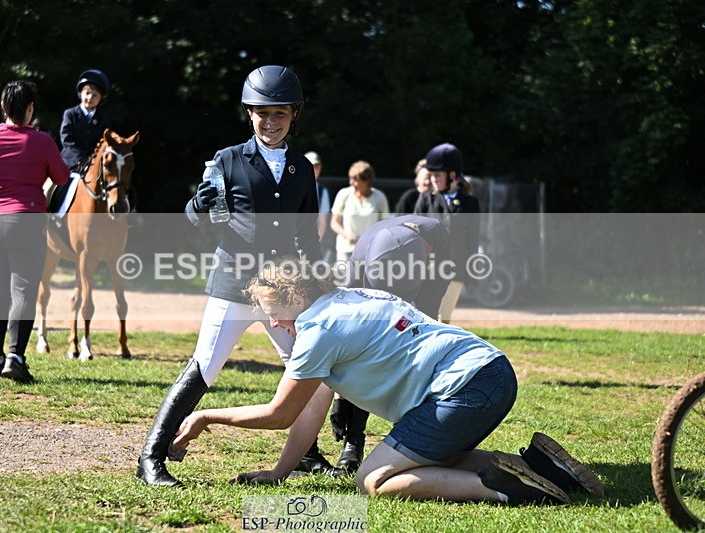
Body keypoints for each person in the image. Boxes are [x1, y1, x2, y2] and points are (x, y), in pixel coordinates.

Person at [173, 262, 605, 504]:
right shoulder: (352, 296)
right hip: (491, 369)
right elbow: (308, 410)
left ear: (295, 298)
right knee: (419, 459)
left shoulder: (316, 331)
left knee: (374, 479)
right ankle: (544, 468)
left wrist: (206, 416)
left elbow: (280, 414)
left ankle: (508, 489)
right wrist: (279, 473)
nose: (271, 321)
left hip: (464, 389)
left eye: (272, 310)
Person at [136, 65, 326, 487]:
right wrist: (198, 204)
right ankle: (151, 457)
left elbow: (307, 235)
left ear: (294, 115)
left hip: (282, 291)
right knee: (204, 367)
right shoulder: (227, 159)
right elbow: (194, 215)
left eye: (279, 114)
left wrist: (318, 286)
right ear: (249, 114)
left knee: (307, 365)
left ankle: (309, 453)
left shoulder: (299, 168)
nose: (270, 122)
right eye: (262, 113)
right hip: (235, 286)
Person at [328, 215, 453, 472]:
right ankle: (354, 441)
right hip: (377, 287)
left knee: (421, 345)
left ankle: (416, 436)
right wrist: (340, 395)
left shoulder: (437, 240)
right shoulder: (358, 269)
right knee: (366, 346)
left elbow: (429, 310)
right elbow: (351, 338)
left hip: (427, 276)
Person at [0, 80, 69, 382]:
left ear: (2, 107)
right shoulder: (41, 141)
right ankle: (15, 357)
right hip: (24, 220)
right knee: (23, 290)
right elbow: (62, 177)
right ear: (29, 109)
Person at [414, 143, 480, 323]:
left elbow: (472, 239)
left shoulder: (470, 203)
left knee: (444, 318)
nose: (433, 179)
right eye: (431, 174)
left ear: (452, 175)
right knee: (427, 315)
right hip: (430, 267)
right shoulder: (426, 199)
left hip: (456, 268)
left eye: (437, 175)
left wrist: (472, 273)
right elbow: (414, 231)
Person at [331, 161, 389, 263]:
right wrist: (346, 235)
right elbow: (334, 223)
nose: (351, 183)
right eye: (350, 179)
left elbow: (385, 225)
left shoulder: (379, 197)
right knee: (344, 278)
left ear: (366, 181)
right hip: (346, 250)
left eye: (355, 180)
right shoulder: (343, 194)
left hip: (370, 251)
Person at [60, 69, 112, 170]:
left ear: (101, 98)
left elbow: (105, 143)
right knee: (51, 185)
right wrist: (80, 158)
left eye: (95, 95)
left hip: (94, 165)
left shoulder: (104, 120)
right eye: (87, 93)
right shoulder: (70, 114)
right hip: (69, 164)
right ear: (80, 93)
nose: (90, 97)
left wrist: (93, 159)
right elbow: (67, 139)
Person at [304, 151, 334, 263]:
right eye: (311, 166)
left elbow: (323, 221)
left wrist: (314, 242)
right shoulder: (291, 188)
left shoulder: (322, 191)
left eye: (316, 167)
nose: (314, 170)